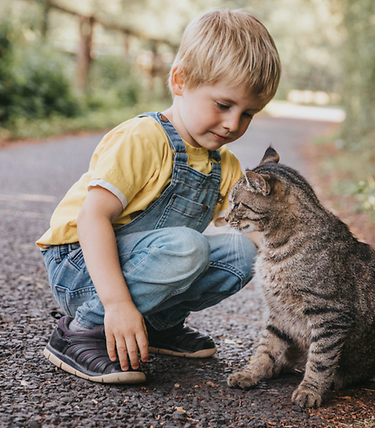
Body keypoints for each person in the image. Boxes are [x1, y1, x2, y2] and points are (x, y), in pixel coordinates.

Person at [37, 8, 281, 384]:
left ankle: (155, 325)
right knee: (188, 246)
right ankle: (82, 330)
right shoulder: (143, 139)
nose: (233, 124)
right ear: (180, 80)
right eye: (223, 105)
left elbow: (256, 237)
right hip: (81, 267)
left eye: (248, 113)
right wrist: (117, 304)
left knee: (242, 252)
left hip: (140, 264)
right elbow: (92, 219)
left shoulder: (225, 164)